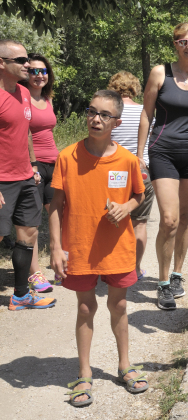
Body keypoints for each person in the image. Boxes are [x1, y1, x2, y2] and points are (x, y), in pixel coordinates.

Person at [49, 90, 148, 406]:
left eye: (105, 114)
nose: (96, 118)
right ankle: (84, 372)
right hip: (79, 247)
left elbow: (139, 195)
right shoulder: (68, 157)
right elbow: (55, 205)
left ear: (117, 122)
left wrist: (126, 207)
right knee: (84, 307)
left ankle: (124, 365)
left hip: (117, 248)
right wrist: (54, 247)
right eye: (92, 111)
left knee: (118, 306)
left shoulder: (127, 160)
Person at [138, 23, 188, 310]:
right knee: (169, 220)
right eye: (183, 41)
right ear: (175, 44)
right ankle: (161, 283)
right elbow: (147, 113)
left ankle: (176, 275)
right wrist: (140, 154)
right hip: (163, 152)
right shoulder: (161, 73)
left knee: (185, 218)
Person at [0, 39, 55, 311]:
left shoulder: (23, 93)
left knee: (27, 234)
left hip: (24, 176)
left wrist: (33, 165)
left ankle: (20, 295)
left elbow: (26, 134)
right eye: (20, 61)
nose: (27, 65)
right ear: (1, 63)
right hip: (1, 180)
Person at [109, 71, 155, 281]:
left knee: (113, 219)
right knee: (140, 223)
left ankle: (112, 265)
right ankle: (134, 268)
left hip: (114, 171)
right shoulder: (145, 113)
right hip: (141, 170)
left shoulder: (109, 112)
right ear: (135, 89)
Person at [20, 53, 59, 293]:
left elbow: (48, 132)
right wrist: (32, 164)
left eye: (43, 71)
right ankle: (34, 273)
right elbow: (23, 134)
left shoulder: (47, 99)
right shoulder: (21, 97)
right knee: (31, 222)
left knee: (57, 214)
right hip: (30, 165)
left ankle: (60, 262)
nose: (39, 75)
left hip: (53, 164)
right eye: (34, 71)